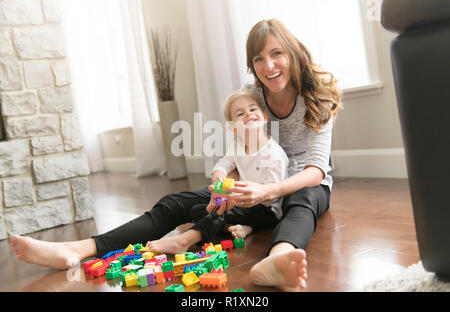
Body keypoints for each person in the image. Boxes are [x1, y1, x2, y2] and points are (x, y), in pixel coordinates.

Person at [10, 18, 342, 291]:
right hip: (254, 187)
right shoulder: (255, 98)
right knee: (177, 203)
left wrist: (268, 191)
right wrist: (227, 183)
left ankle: (278, 258)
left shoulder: (318, 96)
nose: (268, 66)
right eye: (258, 59)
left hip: (300, 185)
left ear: (292, 53)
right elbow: (240, 151)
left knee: (303, 199)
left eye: (276, 54)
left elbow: (315, 169)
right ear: (252, 66)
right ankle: (77, 249)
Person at [202, 89, 289, 240]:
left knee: (216, 214)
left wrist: (236, 199)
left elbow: (270, 196)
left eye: (253, 109)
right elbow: (224, 164)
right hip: (243, 204)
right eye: (240, 113)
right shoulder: (237, 146)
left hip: (267, 210)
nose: (248, 114)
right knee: (199, 210)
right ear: (233, 128)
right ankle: (242, 227)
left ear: (264, 117)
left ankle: (237, 225)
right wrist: (218, 175)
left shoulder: (274, 153)